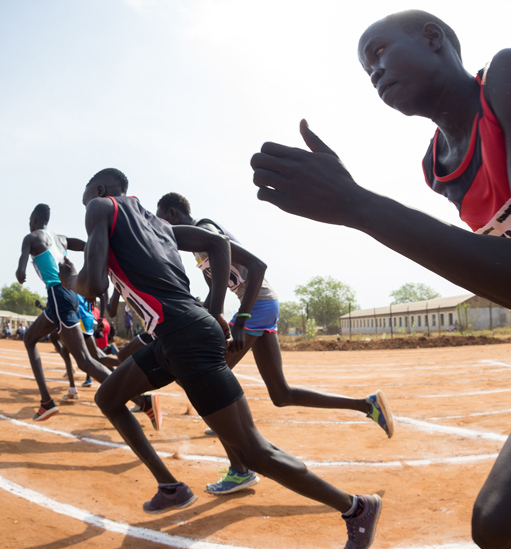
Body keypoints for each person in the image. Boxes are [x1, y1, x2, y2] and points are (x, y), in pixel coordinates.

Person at [249, 12, 511, 548]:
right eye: (363, 69)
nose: (372, 73)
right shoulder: (436, 164)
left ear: (433, 39)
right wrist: (357, 208)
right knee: (497, 526)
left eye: (377, 53)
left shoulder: (510, 77)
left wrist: (355, 204)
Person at [62, 168, 381, 548]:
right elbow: (218, 243)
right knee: (109, 397)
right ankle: (170, 486)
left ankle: (355, 507)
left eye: (85, 192)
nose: (84, 199)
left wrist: (69, 282)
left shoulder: (100, 206)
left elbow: (93, 284)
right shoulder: (159, 227)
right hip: (175, 335)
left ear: (98, 189)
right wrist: (213, 309)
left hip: (186, 338)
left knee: (254, 451)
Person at [156, 192, 395, 494]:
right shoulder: (198, 252)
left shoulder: (206, 231)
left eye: (162, 220)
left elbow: (258, 267)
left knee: (205, 382)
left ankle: (240, 470)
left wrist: (241, 318)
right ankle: (366, 405)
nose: (161, 229)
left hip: (256, 306)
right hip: (261, 305)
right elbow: (213, 296)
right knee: (281, 393)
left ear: (174, 214)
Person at [15, 204, 124, 421]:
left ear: (34, 220)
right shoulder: (60, 239)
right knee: (29, 338)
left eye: (29, 221)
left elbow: (21, 266)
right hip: (71, 293)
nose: (29, 225)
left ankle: (139, 399)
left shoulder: (31, 237)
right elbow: (86, 245)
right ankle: (46, 401)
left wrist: (20, 272)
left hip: (58, 295)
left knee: (85, 360)